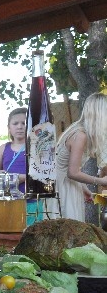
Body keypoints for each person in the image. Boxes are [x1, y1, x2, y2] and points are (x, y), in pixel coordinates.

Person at [55, 92, 107, 221]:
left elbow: (70, 166)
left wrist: (83, 187)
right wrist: (101, 181)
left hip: (68, 185)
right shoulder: (80, 135)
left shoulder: (77, 129)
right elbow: (72, 173)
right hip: (63, 188)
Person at [0, 107, 27, 193]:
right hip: (8, 200)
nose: (20, 127)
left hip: (33, 202)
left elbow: (42, 176)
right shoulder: (3, 148)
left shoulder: (36, 148)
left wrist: (21, 178)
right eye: (15, 123)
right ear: (9, 127)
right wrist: (0, 175)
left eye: (24, 123)